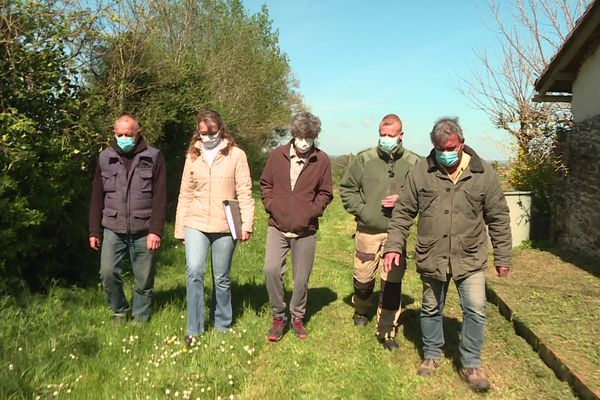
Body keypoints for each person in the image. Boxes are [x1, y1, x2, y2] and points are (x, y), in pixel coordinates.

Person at [383, 117, 512, 392]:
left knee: (476, 310)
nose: (445, 153)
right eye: (439, 148)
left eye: (450, 147)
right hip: (433, 255)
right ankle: (431, 355)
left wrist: (503, 255)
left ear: (461, 144)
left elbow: (498, 216)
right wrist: (394, 245)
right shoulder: (422, 171)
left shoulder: (483, 173)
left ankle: (471, 364)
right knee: (431, 308)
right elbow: (404, 211)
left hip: (470, 256)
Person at [339, 114, 420, 351]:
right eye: (382, 135)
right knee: (363, 279)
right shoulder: (365, 158)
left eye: (391, 135)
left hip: (397, 233)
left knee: (391, 284)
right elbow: (347, 189)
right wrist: (364, 211)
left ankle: (387, 330)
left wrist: (403, 200)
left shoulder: (415, 163)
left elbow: (424, 195)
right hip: (367, 230)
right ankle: (361, 308)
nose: (386, 139)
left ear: (401, 135)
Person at [175, 110, 254, 344]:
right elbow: (185, 193)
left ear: (221, 129)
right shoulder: (192, 155)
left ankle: (222, 324)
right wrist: (180, 228)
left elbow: (245, 192)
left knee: (221, 277)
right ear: (197, 132)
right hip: (195, 222)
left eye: (212, 132)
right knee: (194, 272)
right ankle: (194, 329)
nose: (207, 136)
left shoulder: (236, 155)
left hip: (225, 224)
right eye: (203, 132)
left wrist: (246, 224)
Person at [260, 112, 333, 341]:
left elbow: (326, 192)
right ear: (294, 134)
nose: (304, 142)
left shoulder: (322, 160)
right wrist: (271, 205)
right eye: (301, 137)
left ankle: (297, 317)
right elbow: (265, 184)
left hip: (306, 230)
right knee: (271, 271)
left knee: (301, 277)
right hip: (277, 226)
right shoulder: (276, 155)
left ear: (315, 138)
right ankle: (278, 316)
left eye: (309, 138)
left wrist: (312, 212)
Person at [89, 114, 167, 324]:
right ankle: (119, 310)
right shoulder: (105, 158)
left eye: (128, 134)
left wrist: (156, 231)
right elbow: (97, 196)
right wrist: (94, 231)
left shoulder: (154, 157)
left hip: (144, 228)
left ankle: (140, 317)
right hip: (113, 227)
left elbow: (160, 197)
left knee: (143, 278)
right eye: (120, 134)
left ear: (138, 133)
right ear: (114, 133)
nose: (124, 138)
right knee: (107, 272)